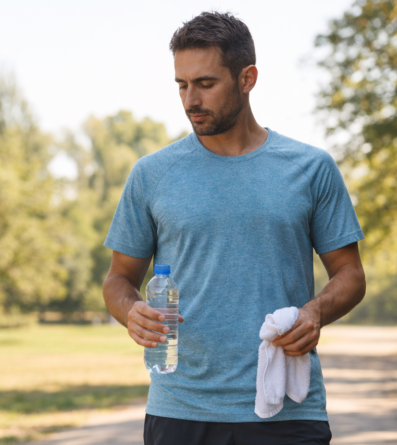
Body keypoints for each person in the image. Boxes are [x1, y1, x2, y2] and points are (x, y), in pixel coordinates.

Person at [102, 11, 366, 445]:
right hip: (181, 410)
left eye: (205, 83)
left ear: (247, 79)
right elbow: (118, 279)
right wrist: (130, 311)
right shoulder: (152, 174)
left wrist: (314, 312)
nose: (190, 100)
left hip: (287, 411)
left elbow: (350, 274)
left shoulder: (311, 168)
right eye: (182, 85)